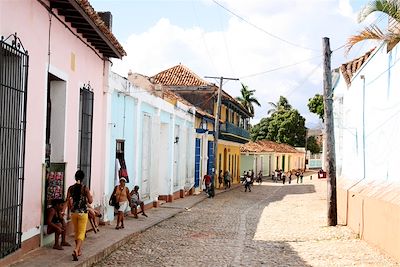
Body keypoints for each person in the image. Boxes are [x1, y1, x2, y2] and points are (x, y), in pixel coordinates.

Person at [66, 170, 93, 261]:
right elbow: (90, 201)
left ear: (75, 177)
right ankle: (76, 249)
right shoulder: (85, 188)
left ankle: (79, 251)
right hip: (83, 213)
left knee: (76, 231)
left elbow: (67, 199)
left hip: (74, 213)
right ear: (83, 178)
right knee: (81, 232)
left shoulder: (70, 188)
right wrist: (91, 196)